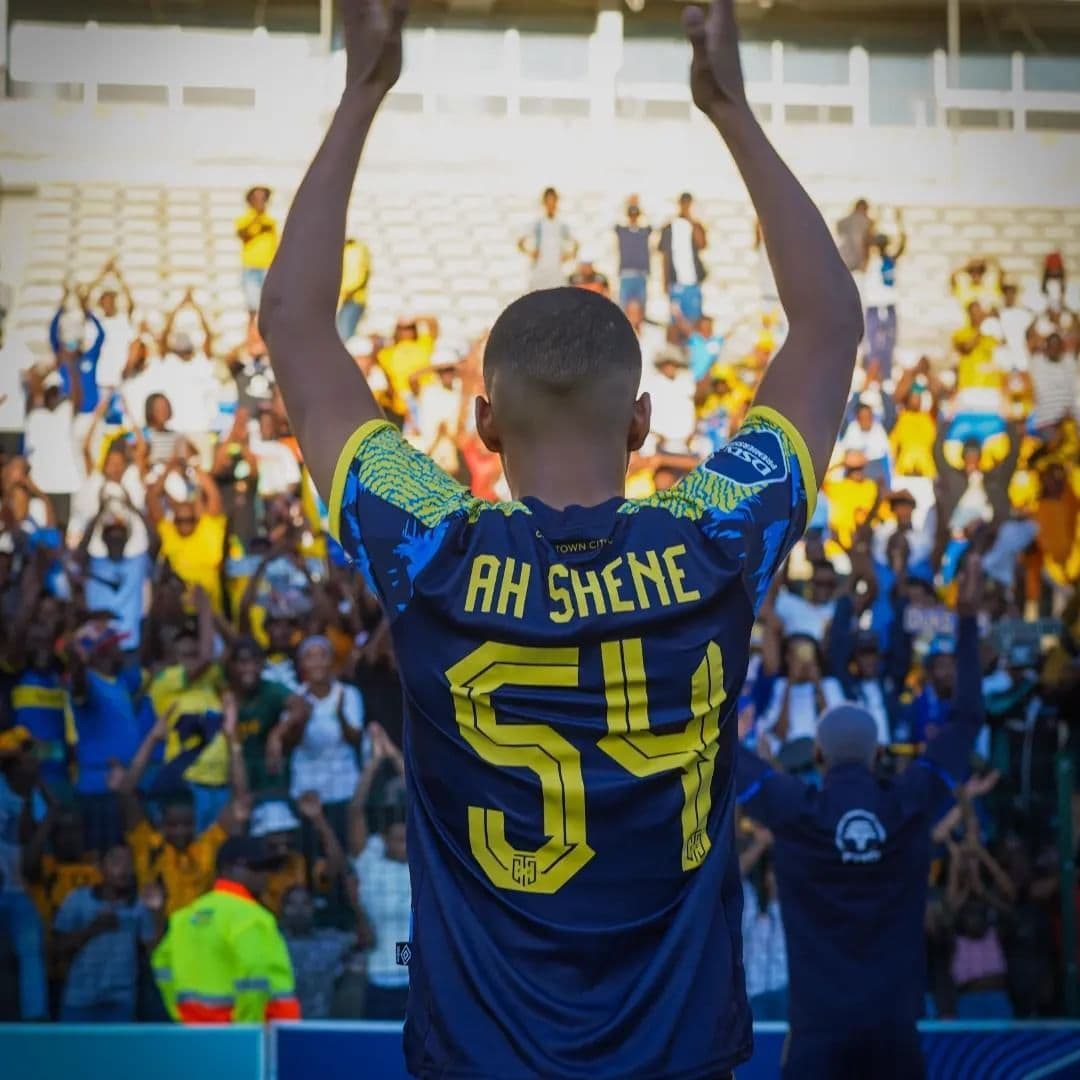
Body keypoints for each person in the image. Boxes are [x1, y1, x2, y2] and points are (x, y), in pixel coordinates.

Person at [259, 0, 861, 1074]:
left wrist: (364, 89)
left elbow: (297, 325)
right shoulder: (717, 537)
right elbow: (828, 326)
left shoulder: (430, 546)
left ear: (483, 425)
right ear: (643, 424)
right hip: (681, 1056)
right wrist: (728, 106)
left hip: (480, 1057)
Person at [152, 834, 301, 1023]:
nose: (265, 875)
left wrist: (180, 1014)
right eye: (257, 867)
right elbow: (254, 975)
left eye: (269, 868)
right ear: (230, 868)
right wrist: (247, 1026)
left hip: (195, 1033)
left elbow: (161, 965)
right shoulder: (251, 916)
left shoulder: (186, 916)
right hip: (257, 1036)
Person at [51, 845, 162, 1022]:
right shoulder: (77, 899)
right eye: (117, 862)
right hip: (79, 999)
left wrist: (156, 911)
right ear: (100, 866)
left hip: (119, 1001)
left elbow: (154, 951)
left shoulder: (139, 906)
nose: (124, 869)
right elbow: (55, 948)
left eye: (129, 863)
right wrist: (92, 929)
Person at [348, 722, 410, 1019]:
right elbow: (355, 811)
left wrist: (396, 756)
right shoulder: (371, 861)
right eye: (399, 839)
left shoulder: (422, 867)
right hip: (379, 977)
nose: (406, 845)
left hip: (416, 980)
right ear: (385, 840)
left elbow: (427, 804)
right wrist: (373, 764)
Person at [0, 727, 48, 1020]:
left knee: (31, 945)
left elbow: (31, 860)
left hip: (16, 891)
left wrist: (37, 804)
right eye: (26, 757)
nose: (34, 762)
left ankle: (36, 1020)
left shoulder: (34, 797)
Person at [659, 192, 708, 323]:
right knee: (676, 320)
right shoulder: (669, 227)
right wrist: (664, 282)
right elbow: (664, 256)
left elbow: (702, 244)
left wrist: (691, 221)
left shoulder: (696, 226)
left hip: (693, 283)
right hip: (675, 283)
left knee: (694, 319)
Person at [236, 185, 279, 329]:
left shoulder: (271, 221)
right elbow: (242, 235)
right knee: (253, 307)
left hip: (269, 268)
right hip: (251, 268)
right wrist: (256, 218)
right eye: (257, 198)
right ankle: (253, 339)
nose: (261, 201)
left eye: (263, 198)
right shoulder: (245, 219)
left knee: (269, 308)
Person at [518, 187, 577, 292]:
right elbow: (520, 242)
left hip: (556, 271)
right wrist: (531, 253)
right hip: (539, 270)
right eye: (548, 201)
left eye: (553, 201)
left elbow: (576, 243)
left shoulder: (562, 225)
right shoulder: (537, 224)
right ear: (544, 203)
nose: (551, 205)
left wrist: (569, 255)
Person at [614, 197, 652, 312]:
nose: (633, 218)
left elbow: (652, 222)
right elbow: (614, 220)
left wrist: (640, 206)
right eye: (631, 215)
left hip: (642, 274)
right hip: (626, 274)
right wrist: (627, 204)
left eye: (635, 215)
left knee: (641, 309)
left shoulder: (644, 231)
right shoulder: (622, 231)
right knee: (624, 310)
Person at [338, 237, 372, 342]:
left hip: (354, 299)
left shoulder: (358, 248)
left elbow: (361, 274)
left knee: (344, 335)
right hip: (344, 299)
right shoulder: (344, 249)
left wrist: (348, 291)